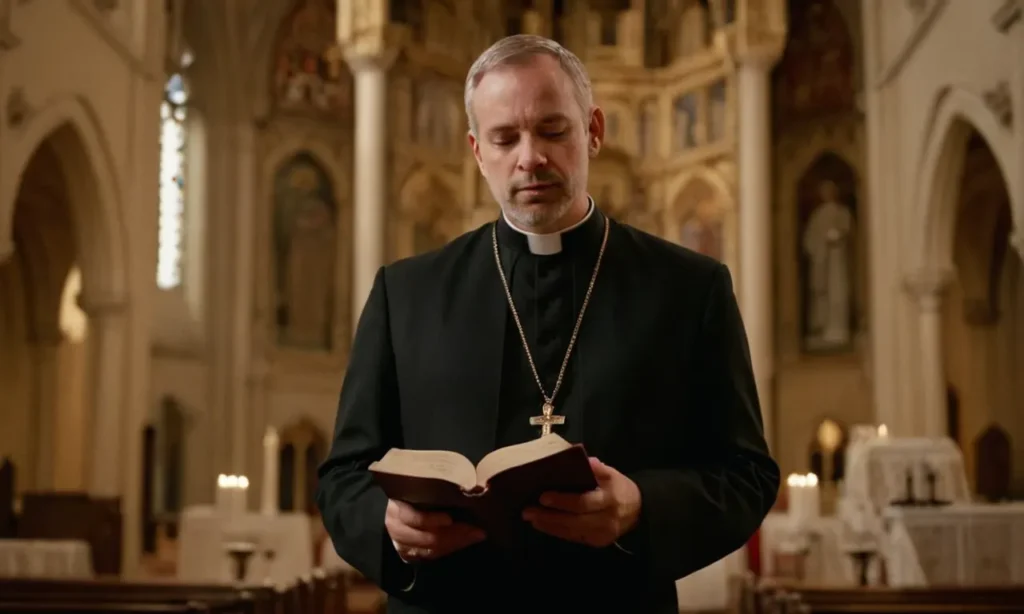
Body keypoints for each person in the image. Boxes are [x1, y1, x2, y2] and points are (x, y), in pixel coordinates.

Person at [316, 34, 779, 614]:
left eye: (553, 130)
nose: (529, 156)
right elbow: (342, 475)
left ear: (594, 130)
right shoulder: (405, 293)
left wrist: (642, 507)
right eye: (504, 138)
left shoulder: (690, 288)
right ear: (477, 150)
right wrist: (385, 523)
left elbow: (746, 474)